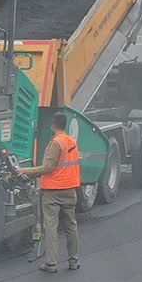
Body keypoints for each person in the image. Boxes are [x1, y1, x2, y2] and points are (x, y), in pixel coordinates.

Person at [20, 111, 84, 273]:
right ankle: (73, 260)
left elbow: (48, 168)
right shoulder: (71, 142)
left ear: (53, 126)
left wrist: (25, 171)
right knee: (71, 227)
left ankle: (51, 263)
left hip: (53, 192)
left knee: (51, 227)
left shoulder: (56, 143)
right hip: (70, 190)